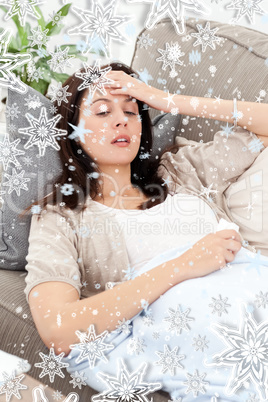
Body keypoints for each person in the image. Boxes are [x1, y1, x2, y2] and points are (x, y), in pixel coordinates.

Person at [24, 62, 268, 399]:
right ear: (71, 131)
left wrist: (166, 100)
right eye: (102, 112)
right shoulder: (62, 216)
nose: (122, 119)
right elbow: (59, 330)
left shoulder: (181, 171)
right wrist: (184, 264)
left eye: (132, 111)